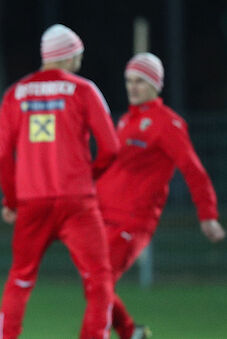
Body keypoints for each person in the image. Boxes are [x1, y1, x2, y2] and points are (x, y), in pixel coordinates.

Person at [0, 24, 120, 339]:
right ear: (71, 54)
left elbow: (2, 156)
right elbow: (112, 148)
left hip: (32, 202)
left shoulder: (15, 94)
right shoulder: (83, 89)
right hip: (77, 201)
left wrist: (11, 201)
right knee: (98, 279)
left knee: (20, 280)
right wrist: (86, 178)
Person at [96, 52, 225, 339]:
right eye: (129, 81)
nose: (132, 87)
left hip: (132, 221)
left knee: (98, 284)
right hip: (103, 215)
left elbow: (193, 170)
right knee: (94, 282)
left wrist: (208, 216)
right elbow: (112, 169)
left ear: (156, 84)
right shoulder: (126, 121)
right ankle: (130, 333)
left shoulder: (168, 124)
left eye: (140, 81)